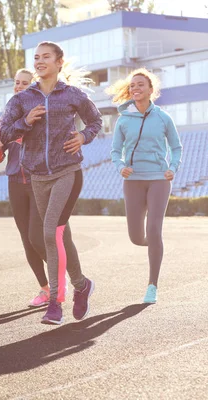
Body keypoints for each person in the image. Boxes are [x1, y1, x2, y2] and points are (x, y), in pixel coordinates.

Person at [0, 41, 103, 325]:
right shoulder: (21, 100)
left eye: (46, 57)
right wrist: (26, 122)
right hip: (36, 177)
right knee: (58, 234)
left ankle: (55, 303)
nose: (40, 61)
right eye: (36, 58)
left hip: (68, 171)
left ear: (59, 62)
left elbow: (95, 121)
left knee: (49, 233)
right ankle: (81, 285)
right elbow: (4, 133)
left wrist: (83, 137)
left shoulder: (72, 95)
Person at [108, 68, 182, 304]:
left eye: (141, 84)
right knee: (136, 236)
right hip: (133, 181)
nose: (136, 88)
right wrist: (121, 166)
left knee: (153, 229)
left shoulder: (163, 117)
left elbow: (176, 147)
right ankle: (156, 243)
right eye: (132, 85)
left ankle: (152, 286)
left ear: (151, 90)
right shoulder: (124, 119)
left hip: (159, 179)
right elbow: (114, 150)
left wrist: (173, 167)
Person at [0, 69, 51, 307]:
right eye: (17, 83)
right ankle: (45, 289)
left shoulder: (42, 112)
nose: (19, 86)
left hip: (38, 181)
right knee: (27, 239)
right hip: (15, 182)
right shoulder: (5, 117)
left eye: (25, 83)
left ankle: (62, 277)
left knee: (37, 236)